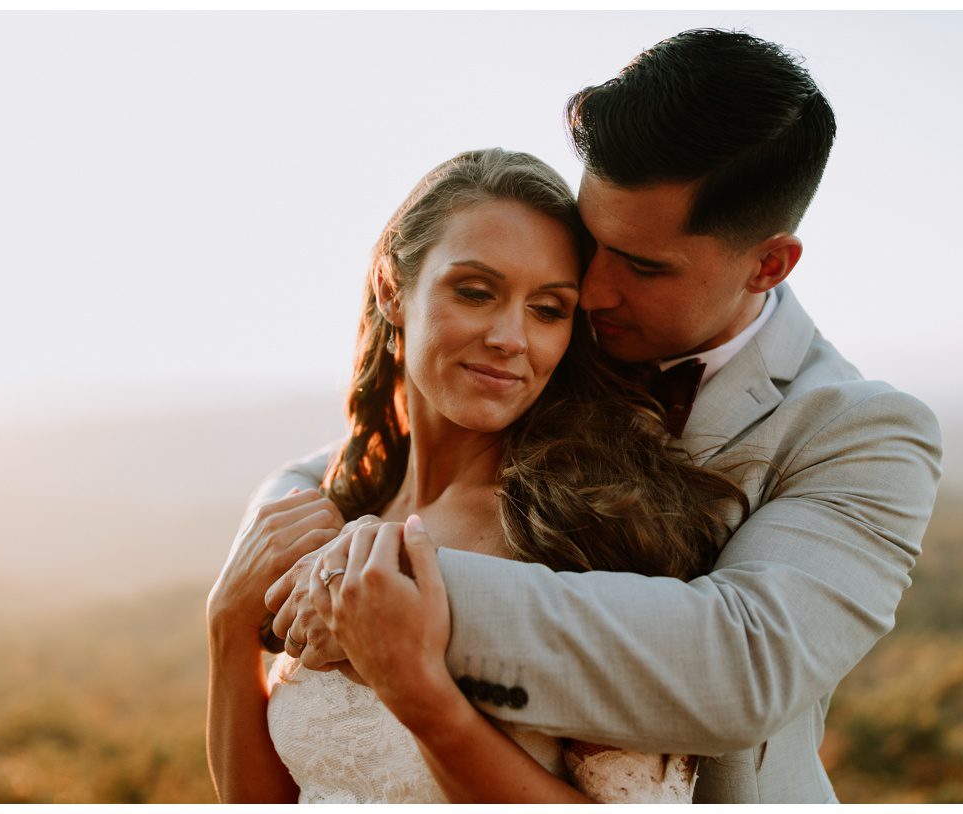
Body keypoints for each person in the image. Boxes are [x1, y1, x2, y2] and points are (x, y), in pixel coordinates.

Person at [249, 29, 942, 804]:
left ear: (768, 264)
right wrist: (284, 511)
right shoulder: (545, 325)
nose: (592, 292)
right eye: (593, 241)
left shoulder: (864, 432)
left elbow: (741, 667)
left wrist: (393, 585)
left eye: (643, 266)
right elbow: (393, 454)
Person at [208, 148, 747, 802]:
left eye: (548, 309)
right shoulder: (342, 505)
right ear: (393, 289)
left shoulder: (585, 535)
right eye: (475, 292)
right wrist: (227, 632)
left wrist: (420, 693)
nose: (510, 338)